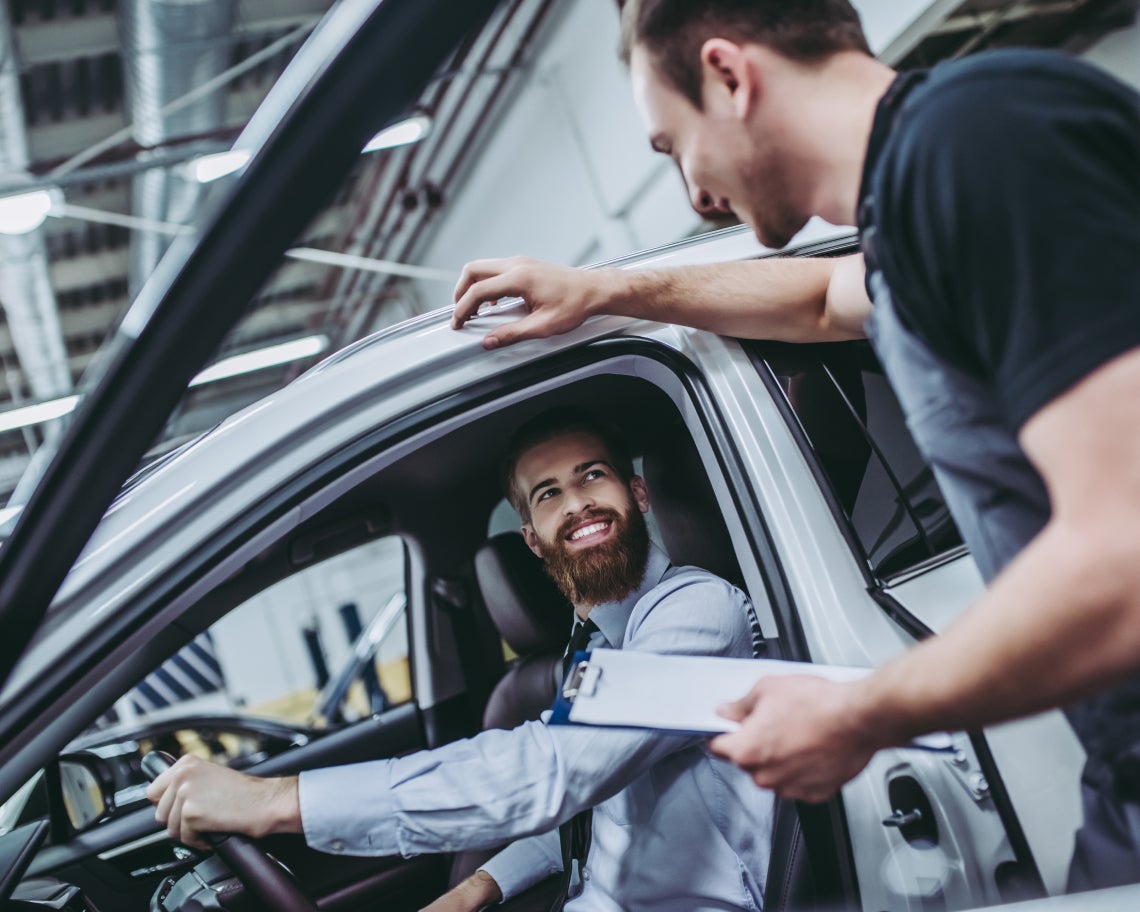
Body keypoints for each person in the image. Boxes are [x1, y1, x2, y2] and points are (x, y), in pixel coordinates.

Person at [450, 0, 1140, 891]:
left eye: (671, 146)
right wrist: (604, 291)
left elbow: (1124, 561)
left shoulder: (983, 141)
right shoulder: (915, 211)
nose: (693, 191)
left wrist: (858, 714)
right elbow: (817, 303)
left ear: (731, 76)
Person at [147, 407, 773, 912]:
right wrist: (480, 886)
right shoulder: (594, 647)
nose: (576, 503)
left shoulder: (698, 614)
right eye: (549, 494)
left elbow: (554, 771)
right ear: (531, 537)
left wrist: (272, 802)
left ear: (637, 492)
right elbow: (593, 813)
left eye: (592, 476)